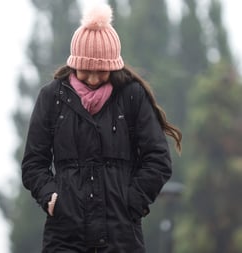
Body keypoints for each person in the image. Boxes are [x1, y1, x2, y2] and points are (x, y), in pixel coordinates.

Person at [21, 3, 182, 253]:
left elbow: (158, 159)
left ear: (114, 66)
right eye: (86, 71)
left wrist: (133, 202)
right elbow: (33, 164)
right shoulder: (51, 97)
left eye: (102, 71)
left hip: (121, 235)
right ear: (74, 63)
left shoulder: (132, 96)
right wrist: (51, 196)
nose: (94, 79)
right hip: (65, 235)